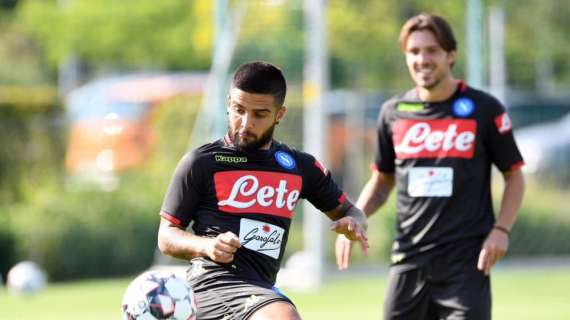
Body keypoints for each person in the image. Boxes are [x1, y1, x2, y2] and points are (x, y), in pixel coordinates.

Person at [335, 13, 525, 320]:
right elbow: (383, 181)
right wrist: (356, 216)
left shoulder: (484, 109)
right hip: (409, 259)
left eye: (432, 50)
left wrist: (501, 230)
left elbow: (514, 176)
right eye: (414, 51)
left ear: (451, 55)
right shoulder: (392, 112)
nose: (422, 59)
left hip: (466, 262)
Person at [158, 61, 369, 320]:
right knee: (282, 316)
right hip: (212, 284)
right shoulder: (201, 162)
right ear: (228, 104)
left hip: (260, 288)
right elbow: (166, 237)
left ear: (279, 114)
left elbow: (351, 211)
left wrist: (353, 223)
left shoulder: (298, 166)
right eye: (238, 110)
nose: (245, 123)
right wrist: (207, 245)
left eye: (259, 114)